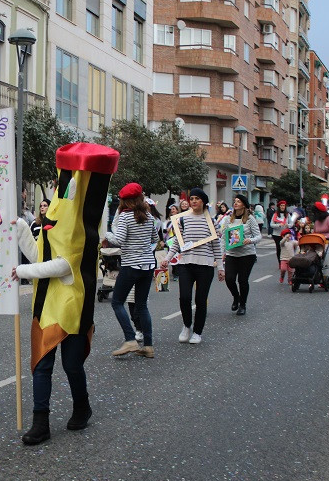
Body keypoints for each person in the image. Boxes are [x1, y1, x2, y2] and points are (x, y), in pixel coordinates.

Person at [13, 142, 118, 445]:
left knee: (72, 364)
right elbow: (40, 259)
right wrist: (20, 230)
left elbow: (61, 266)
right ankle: (40, 421)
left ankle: (82, 406)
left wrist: (22, 273)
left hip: (72, 305)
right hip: (46, 303)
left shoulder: (82, 224)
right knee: (42, 363)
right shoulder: (55, 216)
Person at [160, 188, 225, 344]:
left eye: (197, 198)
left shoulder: (211, 221)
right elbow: (177, 241)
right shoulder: (183, 219)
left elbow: (216, 245)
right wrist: (167, 259)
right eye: (192, 198)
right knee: (184, 298)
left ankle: (197, 332)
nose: (194, 201)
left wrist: (221, 268)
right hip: (186, 264)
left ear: (203, 201)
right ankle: (187, 325)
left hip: (206, 265)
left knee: (201, 300)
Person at [107, 183, 159, 358]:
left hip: (131, 265)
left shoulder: (125, 217)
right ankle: (149, 346)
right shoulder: (149, 216)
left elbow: (119, 240)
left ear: (125, 201)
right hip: (148, 265)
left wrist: (105, 234)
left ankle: (130, 339)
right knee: (142, 305)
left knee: (117, 302)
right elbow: (155, 238)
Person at [222, 194, 262, 315]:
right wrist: (222, 252)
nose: (235, 203)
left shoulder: (250, 219)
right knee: (229, 279)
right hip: (232, 254)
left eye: (238, 201)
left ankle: (242, 305)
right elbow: (224, 237)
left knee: (243, 280)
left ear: (244, 205)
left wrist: (250, 240)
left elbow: (258, 236)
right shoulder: (228, 219)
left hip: (247, 254)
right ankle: (236, 297)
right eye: (234, 201)